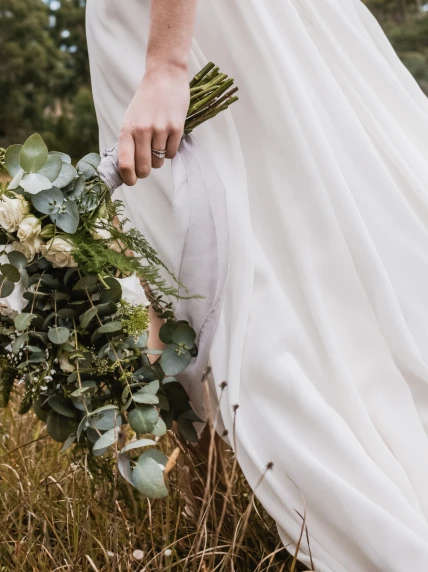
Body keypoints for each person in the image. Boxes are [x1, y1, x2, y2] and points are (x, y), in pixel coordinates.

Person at [85, 1, 428, 570]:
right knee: (302, 249)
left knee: (225, 270)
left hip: (182, 28)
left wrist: (167, 65)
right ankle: (220, 513)